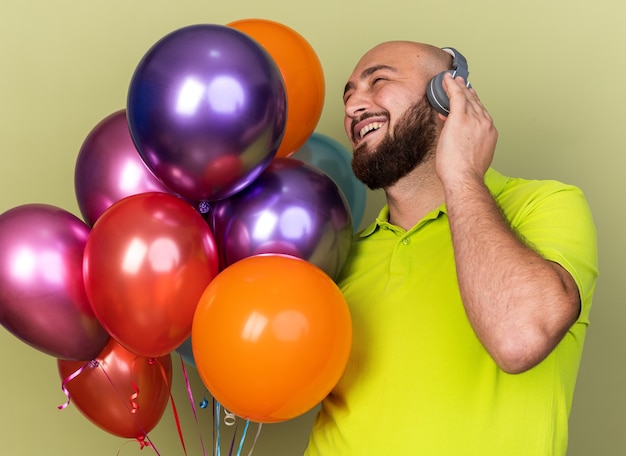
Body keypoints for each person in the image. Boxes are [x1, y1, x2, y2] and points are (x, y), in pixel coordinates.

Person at [304, 41, 598, 455]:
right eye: (349, 94)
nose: (354, 106)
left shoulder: (543, 205)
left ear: (448, 93)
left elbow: (519, 339)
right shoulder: (336, 257)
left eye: (379, 81)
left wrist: (461, 174)